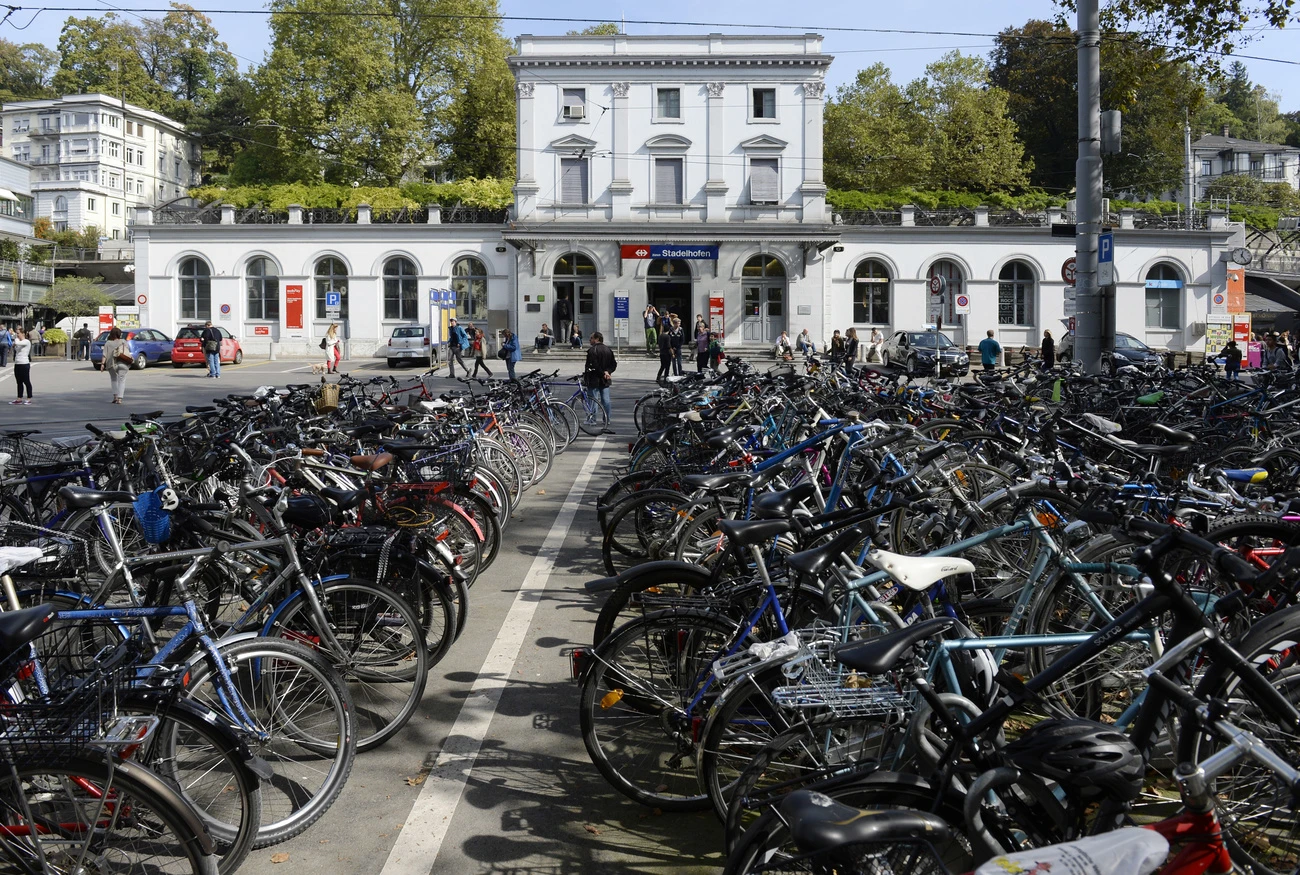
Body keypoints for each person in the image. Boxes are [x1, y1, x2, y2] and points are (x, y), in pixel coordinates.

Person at [583, 331, 617, 435]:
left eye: (591, 338)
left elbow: (594, 365)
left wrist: (602, 373)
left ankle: (592, 419)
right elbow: (614, 364)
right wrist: (608, 372)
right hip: (605, 379)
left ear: (597, 339)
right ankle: (607, 418)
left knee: (593, 399)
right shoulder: (608, 349)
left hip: (594, 379)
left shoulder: (593, 350)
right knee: (606, 400)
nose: (590, 340)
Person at [102, 326, 129, 404]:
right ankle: (120, 399)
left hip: (111, 364)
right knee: (122, 380)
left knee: (114, 380)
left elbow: (104, 355)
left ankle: (115, 397)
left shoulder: (108, 343)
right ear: (119, 334)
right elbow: (127, 351)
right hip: (122, 363)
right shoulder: (123, 342)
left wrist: (102, 364)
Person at [10, 328, 31, 404]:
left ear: (23, 334)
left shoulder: (26, 341)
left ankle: (29, 398)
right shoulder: (18, 341)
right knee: (19, 382)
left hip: (24, 363)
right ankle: (19, 398)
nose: (17, 335)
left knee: (26, 381)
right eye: (16, 333)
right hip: (17, 363)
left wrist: (15, 339)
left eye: (18, 333)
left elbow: (17, 343)